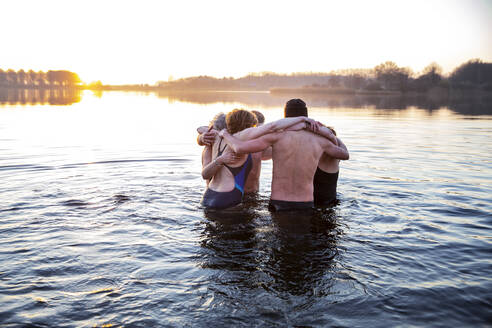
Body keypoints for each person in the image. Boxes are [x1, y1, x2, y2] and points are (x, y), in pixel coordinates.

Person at [219, 99, 349, 212]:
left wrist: (224, 134)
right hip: (306, 204)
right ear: (306, 115)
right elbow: (345, 155)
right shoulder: (321, 140)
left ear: (286, 117)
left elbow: (239, 147)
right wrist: (328, 133)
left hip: (278, 203)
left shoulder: (275, 137)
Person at [201, 108, 315, 209]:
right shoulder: (242, 136)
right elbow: (273, 126)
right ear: (248, 125)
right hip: (227, 197)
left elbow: (202, 129)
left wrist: (201, 137)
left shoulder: (217, 136)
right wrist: (302, 119)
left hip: (208, 197)